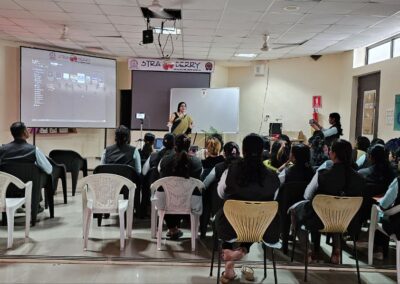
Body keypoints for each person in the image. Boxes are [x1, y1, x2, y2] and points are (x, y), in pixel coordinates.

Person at [215, 134, 280, 282]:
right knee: (252, 218)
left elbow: (220, 193)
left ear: (243, 150)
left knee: (227, 211)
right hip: (262, 228)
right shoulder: (273, 176)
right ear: (263, 150)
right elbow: (273, 202)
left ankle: (229, 266)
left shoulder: (230, 171)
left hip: (230, 227)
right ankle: (243, 250)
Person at [293, 139, 365, 264]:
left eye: (331, 150)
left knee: (295, 211)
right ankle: (336, 251)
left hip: (319, 220)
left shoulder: (322, 174)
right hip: (348, 222)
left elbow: (307, 195)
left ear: (334, 154)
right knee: (337, 214)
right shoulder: (359, 178)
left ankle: (308, 251)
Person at [0, 122, 53, 213]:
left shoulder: (2, 149)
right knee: (41, 172)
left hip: (8, 187)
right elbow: (49, 169)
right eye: (27, 129)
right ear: (24, 132)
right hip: (29, 186)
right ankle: (36, 204)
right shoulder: (33, 150)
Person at [158, 134, 202, 239]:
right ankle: (192, 229)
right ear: (189, 147)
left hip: (167, 203)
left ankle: (172, 228)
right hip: (190, 204)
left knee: (165, 193)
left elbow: (160, 175)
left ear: (175, 146)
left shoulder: (164, 160)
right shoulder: (197, 162)